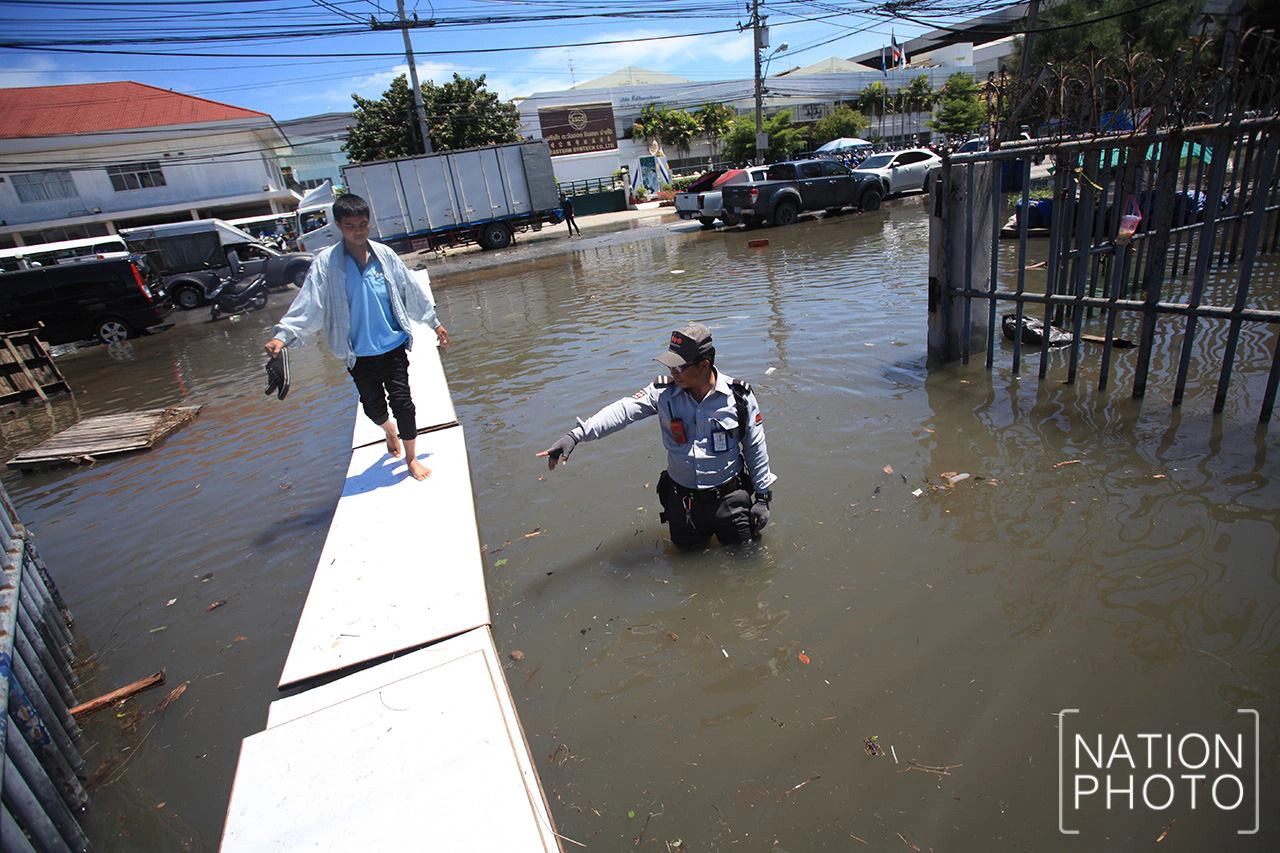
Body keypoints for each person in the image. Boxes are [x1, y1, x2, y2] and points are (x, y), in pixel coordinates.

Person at [263, 193, 449, 481]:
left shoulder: (384, 256)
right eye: (351, 225)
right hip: (357, 353)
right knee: (373, 407)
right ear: (338, 225)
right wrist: (283, 337)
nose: (359, 230)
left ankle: (411, 458)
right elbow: (310, 303)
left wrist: (433, 322)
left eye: (363, 224)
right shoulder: (326, 264)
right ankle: (388, 430)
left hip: (392, 345)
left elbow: (409, 290)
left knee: (404, 402)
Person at [538, 323, 776, 548]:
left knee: (745, 560)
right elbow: (623, 410)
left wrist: (763, 499)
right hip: (685, 503)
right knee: (687, 565)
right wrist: (576, 435)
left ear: (704, 365)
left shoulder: (738, 397)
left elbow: (755, 447)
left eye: (680, 367)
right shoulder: (663, 394)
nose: (673, 372)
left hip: (729, 498)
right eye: (670, 366)